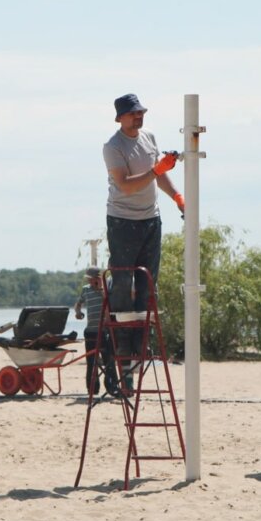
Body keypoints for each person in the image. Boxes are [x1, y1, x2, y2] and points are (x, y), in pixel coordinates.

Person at [102, 93, 184, 357]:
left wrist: (177, 197)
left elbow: (158, 176)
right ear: (120, 118)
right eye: (133, 113)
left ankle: (141, 342)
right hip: (123, 220)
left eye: (141, 113)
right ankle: (123, 341)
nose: (138, 117)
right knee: (124, 280)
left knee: (149, 282)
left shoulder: (149, 137)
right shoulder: (113, 146)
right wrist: (156, 170)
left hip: (150, 218)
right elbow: (125, 185)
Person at [74, 267, 107, 394]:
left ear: (98, 279)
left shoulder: (105, 290)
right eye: (89, 279)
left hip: (104, 331)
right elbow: (78, 304)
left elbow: (108, 301)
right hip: (90, 330)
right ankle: (92, 388)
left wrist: (101, 289)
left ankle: (111, 386)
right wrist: (78, 312)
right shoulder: (86, 290)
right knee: (91, 362)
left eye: (92, 279)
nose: (90, 282)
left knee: (108, 360)